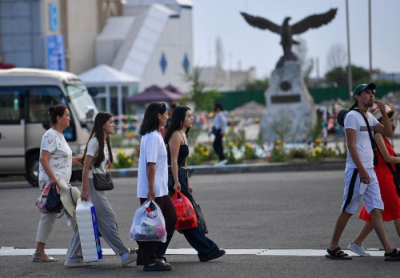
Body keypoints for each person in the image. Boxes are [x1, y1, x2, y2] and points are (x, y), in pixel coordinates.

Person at [325, 83, 400, 261]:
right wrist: (361, 170)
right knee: (348, 209)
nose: (372, 95)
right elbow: (351, 145)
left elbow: (387, 131)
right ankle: (333, 246)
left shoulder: (368, 116)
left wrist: (384, 113)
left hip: (369, 169)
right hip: (357, 170)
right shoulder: (352, 116)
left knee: (377, 208)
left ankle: (389, 250)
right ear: (358, 97)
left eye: (373, 92)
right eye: (367, 92)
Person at [64, 112, 137, 268]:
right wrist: (84, 190)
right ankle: (123, 253)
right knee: (108, 218)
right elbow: (86, 167)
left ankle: (71, 258)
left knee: (89, 223)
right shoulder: (95, 142)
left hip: (95, 185)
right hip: (91, 185)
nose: (114, 124)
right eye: (111, 122)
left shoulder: (103, 141)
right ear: (103, 124)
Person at [157, 106, 226, 262]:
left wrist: (187, 181)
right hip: (173, 177)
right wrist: (176, 182)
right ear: (181, 119)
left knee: (182, 216)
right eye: (189, 116)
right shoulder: (175, 135)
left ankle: (204, 250)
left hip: (181, 177)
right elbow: (173, 161)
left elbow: (184, 162)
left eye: (191, 116)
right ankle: (206, 250)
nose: (192, 118)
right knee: (182, 215)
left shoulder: (183, 134)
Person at [348, 105, 400, 256]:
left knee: (376, 214)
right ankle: (356, 243)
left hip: (385, 176)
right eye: (389, 117)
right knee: (397, 210)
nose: (391, 120)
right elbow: (388, 158)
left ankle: (356, 243)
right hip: (383, 178)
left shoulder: (384, 136)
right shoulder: (378, 136)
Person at [33, 104, 82, 262]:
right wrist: (53, 179)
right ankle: (80, 249)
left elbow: (59, 157)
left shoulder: (60, 135)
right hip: (53, 183)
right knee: (63, 213)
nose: (69, 118)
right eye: (67, 115)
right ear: (59, 118)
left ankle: (79, 249)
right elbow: (43, 158)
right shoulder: (50, 135)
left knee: (70, 213)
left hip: (61, 183)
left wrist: (75, 160)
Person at [136, 102, 177, 271]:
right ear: (159, 116)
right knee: (151, 225)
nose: (168, 116)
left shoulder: (153, 135)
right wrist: (151, 189)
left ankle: (153, 254)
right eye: (165, 114)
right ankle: (150, 261)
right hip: (153, 189)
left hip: (159, 188)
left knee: (170, 218)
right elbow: (151, 164)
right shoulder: (152, 136)